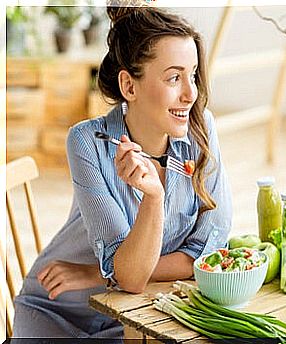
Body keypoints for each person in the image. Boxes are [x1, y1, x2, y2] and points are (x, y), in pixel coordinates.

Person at [13, 6, 232, 338]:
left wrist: (99, 274)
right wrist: (152, 201)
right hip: (58, 311)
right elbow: (130, 277)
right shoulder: (87, 141)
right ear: (129, 86)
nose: (191, 94)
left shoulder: (202, 132)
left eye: (193, 74)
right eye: (174, 77)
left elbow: (208, 254)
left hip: (131, 315)